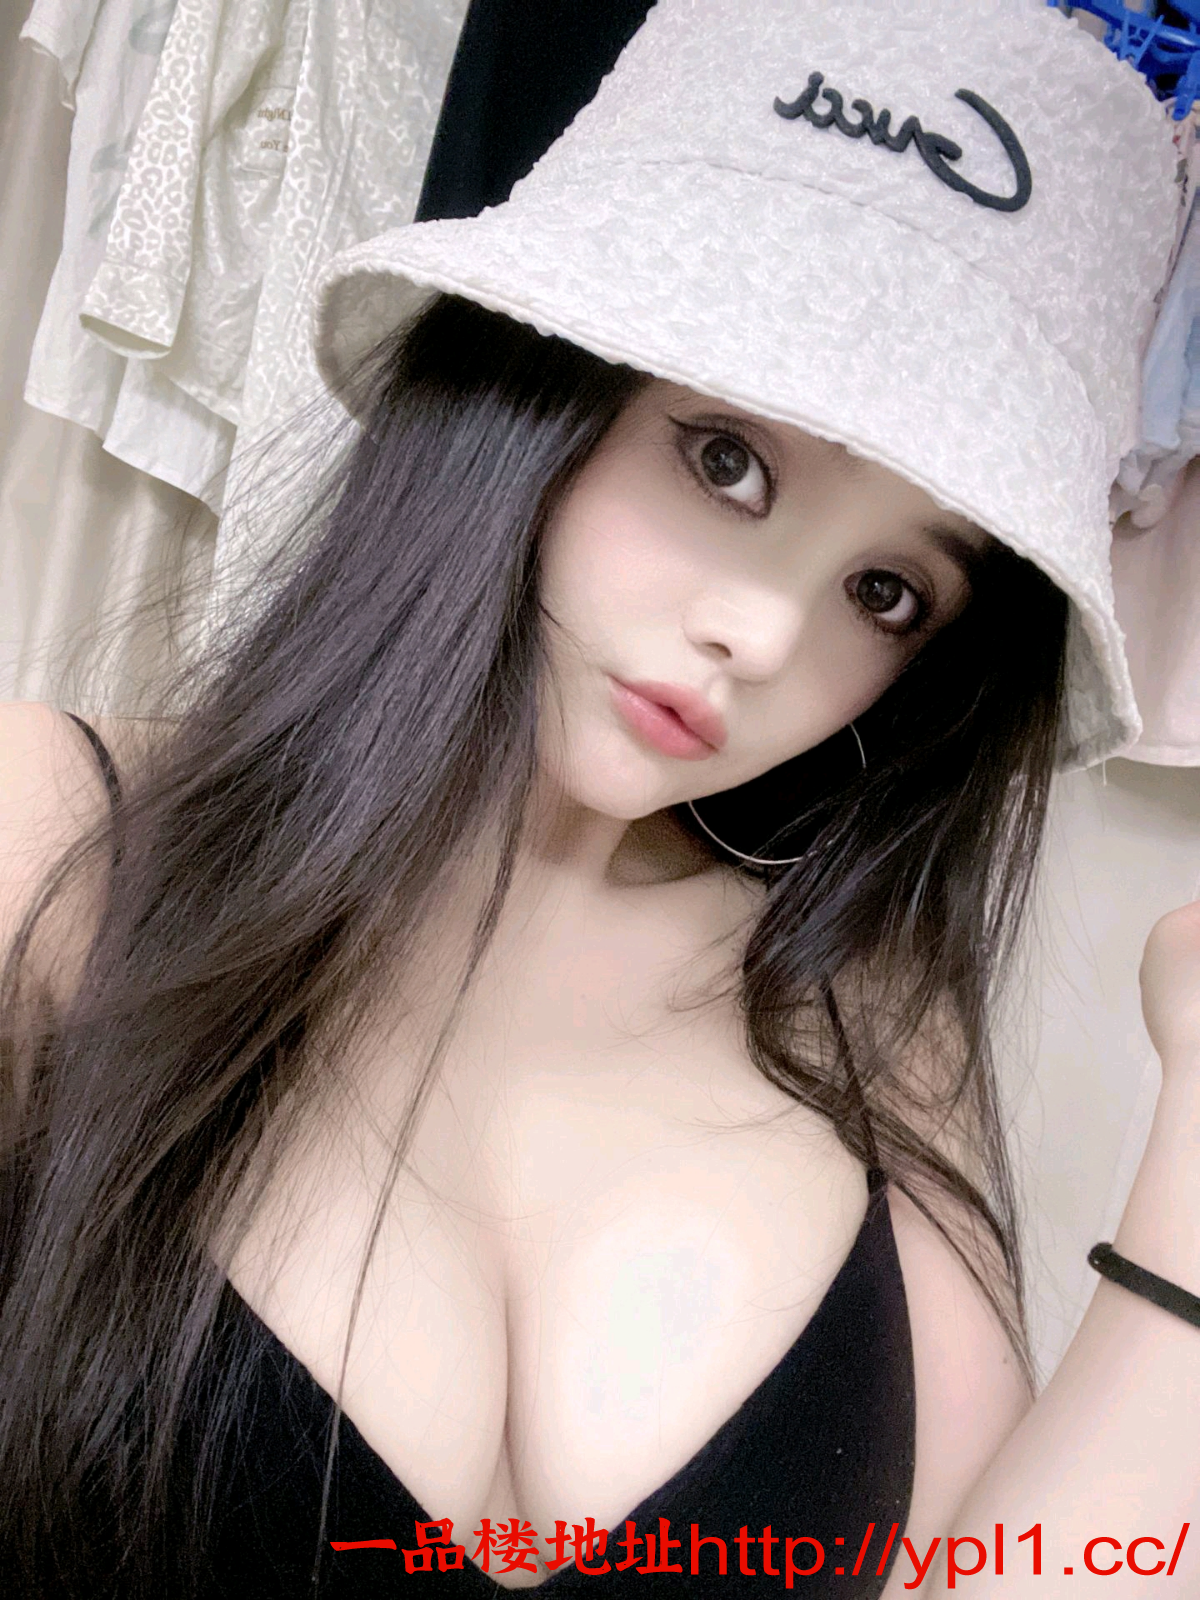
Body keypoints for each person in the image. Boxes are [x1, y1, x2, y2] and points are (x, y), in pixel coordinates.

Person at [1, 1, 1198, 1596]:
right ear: (539, 379)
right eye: (726, 461)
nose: (765, 633)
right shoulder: (48, 837)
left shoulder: (870, 1021)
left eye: (889, 592)